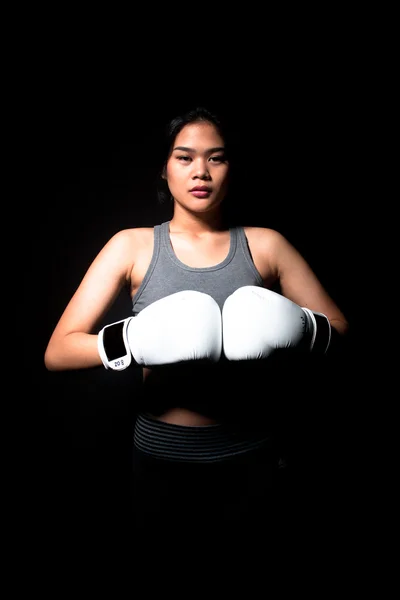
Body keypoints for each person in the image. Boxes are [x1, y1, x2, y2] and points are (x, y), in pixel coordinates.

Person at [44, 105, 349, 543]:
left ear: (231, 168)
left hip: (254, 454)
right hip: (159, 461)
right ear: (164, 168)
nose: (200, 171)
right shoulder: (132, 246)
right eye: (184, 157)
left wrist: (302, 329)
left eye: (216, 157)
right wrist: (131, 339)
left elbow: (340, 328)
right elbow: (57, 352)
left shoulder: (266, 245)